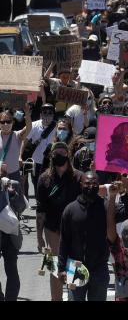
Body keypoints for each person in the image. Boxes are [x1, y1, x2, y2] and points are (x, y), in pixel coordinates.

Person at [36, 142, 83, 301]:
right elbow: (40, 210)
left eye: (63, 152)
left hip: (75, 229)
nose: (60, 156)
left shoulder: (79, 177)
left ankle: (73, 297)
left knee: (73, 266)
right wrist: (39, 237)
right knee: (55, 266)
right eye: (56, 153)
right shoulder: (44, 179)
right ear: (51, 157)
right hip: (52, 229)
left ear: (68, 155)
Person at [58, 172, 110, 301]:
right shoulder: (70, 210)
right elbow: (64, 241)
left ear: (99, 186)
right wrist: (61, 267)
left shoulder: (106, 206)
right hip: (75, 268)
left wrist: (122, 194)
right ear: (81, 185)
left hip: (99, 268)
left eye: (94, 184)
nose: (90, 187)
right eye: (87, 183)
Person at [0, 168, 28, 301]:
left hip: (10, 233)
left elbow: (22, 207)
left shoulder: (13, 184)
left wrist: (13, 195)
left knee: (11, 268)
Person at [22, 104, 57, 196]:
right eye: (45, 112)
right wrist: (20, 156)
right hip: (36, 161)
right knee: (36, 181)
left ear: (53, 115)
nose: (47, 115)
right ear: (41, 114)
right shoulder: (34, 125)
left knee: (49, 181)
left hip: (49, 161)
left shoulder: (57, 127)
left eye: (50, 113)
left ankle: (44, 200)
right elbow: (24, 141)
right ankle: (38, 200)